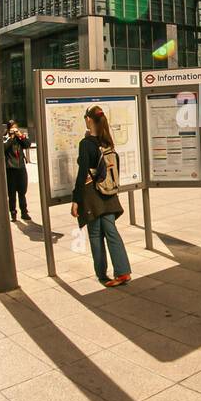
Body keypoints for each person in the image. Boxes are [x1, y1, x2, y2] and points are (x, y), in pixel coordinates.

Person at [70, 105, 131, 288]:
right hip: (109, 194)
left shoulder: (86, 144)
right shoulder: (107, 141)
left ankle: (103, 275)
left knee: (96, 234)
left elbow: (82, 175)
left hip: (92, 196)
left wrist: (75, 199)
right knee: (111, 231)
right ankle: (123, 271)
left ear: (89, 120)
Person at [4, 121, 31, 220]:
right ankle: (13, 212)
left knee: (22, 192)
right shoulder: (5, 138)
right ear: (8, 129)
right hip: (10, 169)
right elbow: (3, 148)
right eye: (12, 129)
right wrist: (10, 138)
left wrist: (21, 136)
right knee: (11, 193)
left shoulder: (19, 138)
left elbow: (28, 144)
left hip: (21, 169)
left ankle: (24, 212)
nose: (14, 131)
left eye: (16, 129)